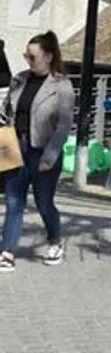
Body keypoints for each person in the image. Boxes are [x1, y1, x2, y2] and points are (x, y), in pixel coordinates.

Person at [1, 32, 74, 272]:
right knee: (13, 201)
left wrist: (50, 155)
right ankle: (7, 251)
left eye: (33, 57)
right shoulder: (19, 79)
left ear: (48, 57)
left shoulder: (62, 85)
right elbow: (7, 111)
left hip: (42, 149)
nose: (28, 61)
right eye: (26, 56)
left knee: (44, 202)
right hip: (15, 146)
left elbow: (64, 125)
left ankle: (55, 240)